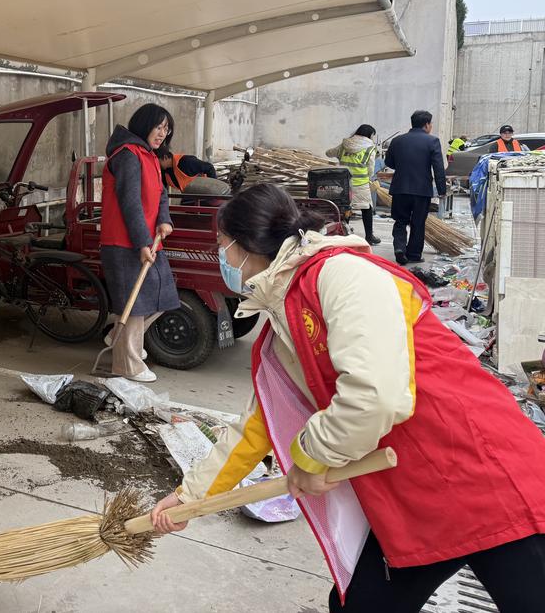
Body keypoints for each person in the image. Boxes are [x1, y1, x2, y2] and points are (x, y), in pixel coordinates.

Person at [148, 184, 545, 612]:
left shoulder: (345, 276)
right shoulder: (283, 318)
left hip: (482, 471)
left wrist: (310, 456)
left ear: (249, 244)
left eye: (222, 244)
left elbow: (375, 396)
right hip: (413, 493)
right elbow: (257, 426)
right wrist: (191, 497)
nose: (222, 257)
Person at [98, 104, 179, 382]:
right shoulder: (127, 156)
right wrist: (142, 242)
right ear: (144, 124)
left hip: (148, 240)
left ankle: (117, 337)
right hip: (124, 242)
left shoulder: (151, 157)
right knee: (134, 305)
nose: (162, 133)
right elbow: (130, 203)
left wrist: (164, 219)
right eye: (159, 127)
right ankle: (126, 365)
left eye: (166, 129)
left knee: (161, 295)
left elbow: (161, 194)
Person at [383, 110, 446, 265]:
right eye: (431, 124)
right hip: (421, 190)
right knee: (418, 223)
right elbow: (438, 168)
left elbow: (389, 163)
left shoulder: (397, 141)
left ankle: (399, 248)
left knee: (400, 220)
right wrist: (442, 190)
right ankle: (413, 254)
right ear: (426, 125)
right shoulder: (432, 141)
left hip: (400, 188)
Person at [326, 124, 380, 245]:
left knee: (346, 207)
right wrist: (368, 177)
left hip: (344, 183)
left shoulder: (345, 145)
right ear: (370, 135)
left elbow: (329, 153)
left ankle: (344, 234)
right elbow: (370, 169)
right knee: (367, 208)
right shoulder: (370, 148)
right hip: (361, 183)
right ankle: (369, 236)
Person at [156, 147, 230, 196]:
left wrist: (214, 193)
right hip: (189, 197)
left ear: (165, 157)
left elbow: (209, 167)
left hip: (204, 195)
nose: (156, 165)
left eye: (157, 162)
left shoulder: (187, 162)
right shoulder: (165, 172)